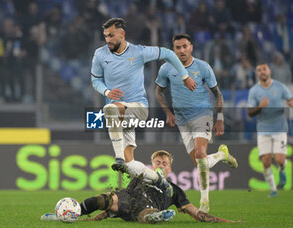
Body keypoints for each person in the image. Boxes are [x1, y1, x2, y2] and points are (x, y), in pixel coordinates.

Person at [90, 18, 196, 194]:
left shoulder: (139, 52)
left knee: (110, 109)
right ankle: (158, 182)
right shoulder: (100, 55)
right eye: (105, 36)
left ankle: (118, 158)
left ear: (122, 34)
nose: (107, 39)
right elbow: (95, 80)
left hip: (138, 108)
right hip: (118, 118)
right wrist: (107, 92)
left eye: (111, 35)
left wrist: (185, 76)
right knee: (130, 164)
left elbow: (169, 54)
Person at [155, 34, 238, 213]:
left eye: (185, 46)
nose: (182, 50)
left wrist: (220, 118)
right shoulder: (167, 68)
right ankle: (222, 155)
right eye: (178, 47)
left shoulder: (203, 67)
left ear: (191, 47)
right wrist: (168, 112)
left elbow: (218, 93)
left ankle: (204, 203)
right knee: (201, 163)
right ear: (173, 49)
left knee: (201, 154)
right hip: (181, 119)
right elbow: (159, 92)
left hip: (202, 114)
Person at [41, 150, 239, 224]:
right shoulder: (141, 175)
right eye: (158, 162)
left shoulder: (175, 190)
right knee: (104, 199)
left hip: (145, 208)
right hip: (126, 201)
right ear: (152, 165)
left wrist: (225, 221)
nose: (161, 165)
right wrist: (95, 218)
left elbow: (197, 213)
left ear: (170, 168)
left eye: (164, 163)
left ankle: (156, 217)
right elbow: (124, 195)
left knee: (148, 213)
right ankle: (74, 214)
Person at [247, 62, 293, 197]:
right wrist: (260, 107)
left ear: (269, 71)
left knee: (279, 159)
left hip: (279, 128)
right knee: (266, 161)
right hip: (263, 129)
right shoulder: (254, 91)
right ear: (257, 74)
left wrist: (290, 103)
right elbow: (250, 113)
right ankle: (273, 190)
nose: (262, 72)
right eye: (259, 70)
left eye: (264, 69)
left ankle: (282, 170)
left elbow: (290, 100)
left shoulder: (280, 87)